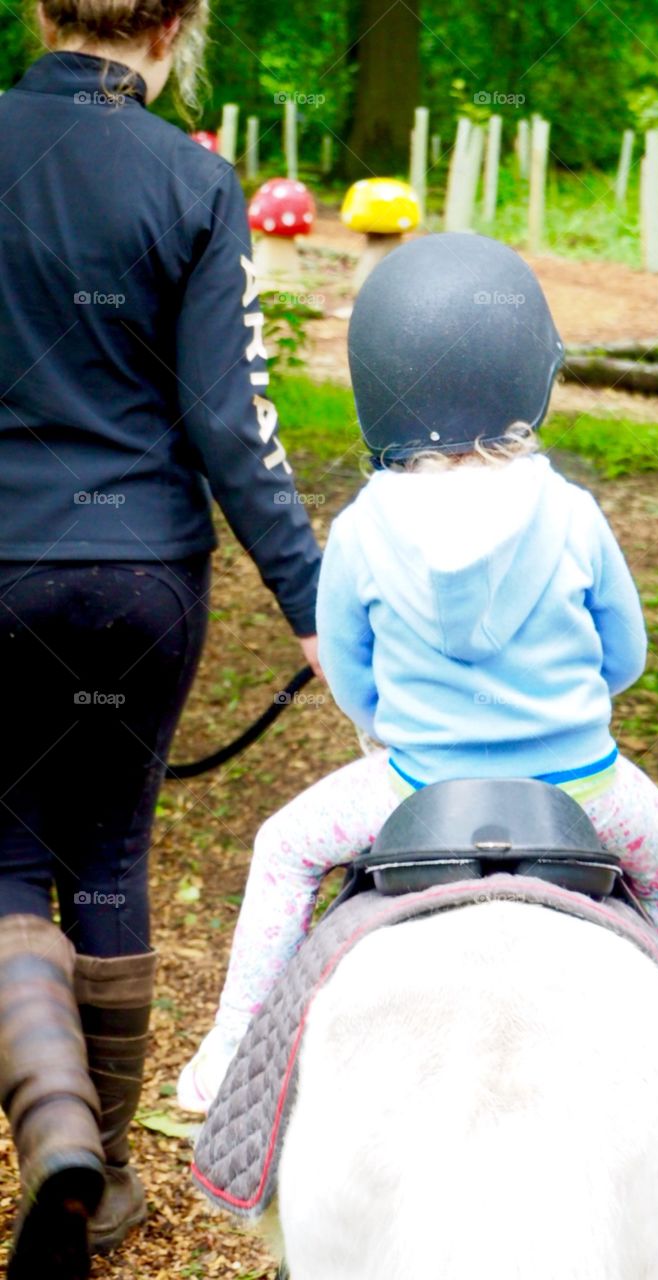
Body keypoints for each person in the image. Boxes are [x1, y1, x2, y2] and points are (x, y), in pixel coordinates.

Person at [178, 232, 658, 1116]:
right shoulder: (574, 513)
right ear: (522, 375)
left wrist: (387, 724)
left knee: (283, 850)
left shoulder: (362, 524)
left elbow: (353, 679)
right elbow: (625, 657)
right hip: (584, 788)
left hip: (413, 785)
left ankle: (234, 1045)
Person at [0, 3, 322, 1276]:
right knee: (112, 849)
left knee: (8, 858)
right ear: (181, 21)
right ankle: (110, 1172)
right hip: (142, 576)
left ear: (39, 8)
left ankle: (55, 1131)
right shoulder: (192, 179)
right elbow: (231, 422)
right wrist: (311, 597)